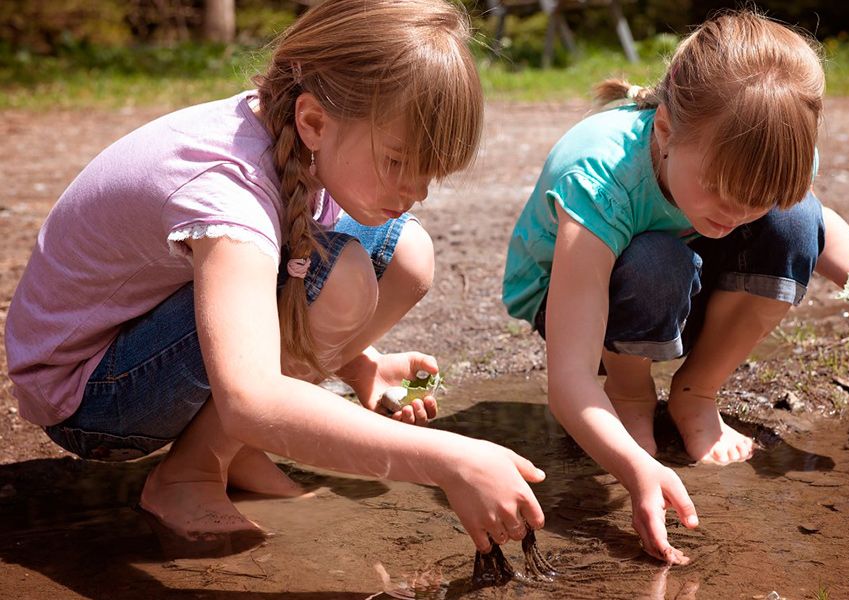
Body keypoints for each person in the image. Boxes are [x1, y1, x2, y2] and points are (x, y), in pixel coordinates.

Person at [4, 0, 544, 556]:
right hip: (91, 396)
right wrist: (448, 460)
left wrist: (364, 364)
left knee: (407, 251)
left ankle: (228, 449)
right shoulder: (228, 191)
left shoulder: (301, 141)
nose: (417, 190)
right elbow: (250, 395)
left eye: (431, 171)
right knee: (341, 275)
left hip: (144, 344)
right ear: (313, 121)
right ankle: (189, 475)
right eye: (398, 162)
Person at [502, 10, 849, 564]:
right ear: (665, 131)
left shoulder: (767, 160)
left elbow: (819, 231)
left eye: (753, 198)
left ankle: (696, 392)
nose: (735, 214)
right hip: (572, 296)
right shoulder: (601, 176)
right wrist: (635, 470)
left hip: (680, 269)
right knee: (656, 260)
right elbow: (566, 381)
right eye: (719, 190)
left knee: (796, 218)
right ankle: (630, 395)